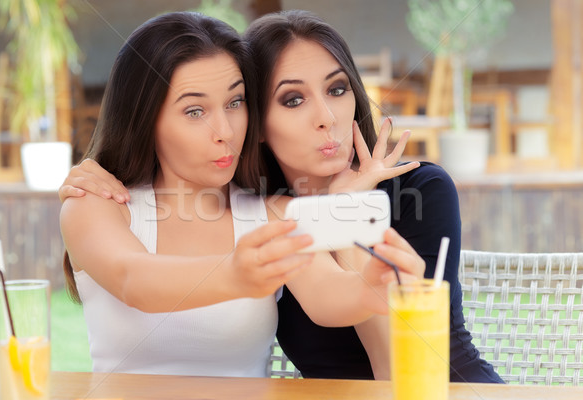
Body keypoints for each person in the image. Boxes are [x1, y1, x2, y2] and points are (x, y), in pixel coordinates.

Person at [60, 10, 502, 383]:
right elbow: (133, 279)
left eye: (235, 103)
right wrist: (235, 274)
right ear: (145, 119)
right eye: (195, 111)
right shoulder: (95, 203)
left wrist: (371, 287)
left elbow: (327, 295)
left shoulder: (272, 210)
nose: (225, 131)